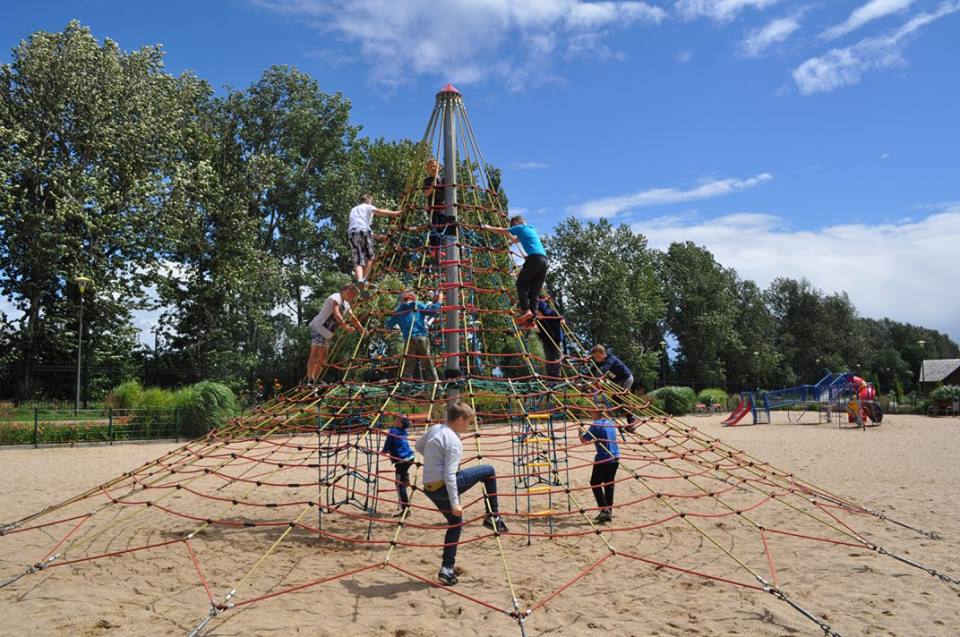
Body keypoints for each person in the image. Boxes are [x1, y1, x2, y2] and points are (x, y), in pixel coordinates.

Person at [415, 399, 509, 586]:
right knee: (488, 470)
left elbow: (418, 446)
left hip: (429, 488)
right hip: (444, 487)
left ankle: (447, 569)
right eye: (468, 421)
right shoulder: (453, 441)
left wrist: (435, 461)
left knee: (455, 524)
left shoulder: (436, 429)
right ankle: (493, 516)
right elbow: (450, 475)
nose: (469, 425)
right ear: (459, 419)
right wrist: (455, 502)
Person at [481, 215, 548, 324]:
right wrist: (509, 237)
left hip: (534, 258)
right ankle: (531, 318)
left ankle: (526, 310)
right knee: (534, 291)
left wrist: (487, 227)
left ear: (518, 223)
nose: (513, 229)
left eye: (513, 226)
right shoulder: (531, 229)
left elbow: (501, 231)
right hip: (544, 261)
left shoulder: (520, 227)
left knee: (521, 284)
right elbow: (514, 239)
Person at [306, 283, 365, 384]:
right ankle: (310, 380)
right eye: (352, 296)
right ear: (347, 292)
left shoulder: (346, 304)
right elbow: (336, 313)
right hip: (318, 328)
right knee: (315, 353)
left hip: (327, 333)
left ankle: (314, 380)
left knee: (323, 359)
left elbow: (353, 317)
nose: (352, 298)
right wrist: (346, 326)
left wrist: (361, 329)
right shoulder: (335, 297)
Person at [384, 290, 441, 384]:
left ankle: (406, 386)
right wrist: (439, 301)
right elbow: (432, 311)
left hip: (409, 339)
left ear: (402, 299)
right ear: (413, 297)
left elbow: (388, 325)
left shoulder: (399, 311)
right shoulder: (417, 304)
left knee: (408, 366)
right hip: (421, 337)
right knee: (428, 362)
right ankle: (437, 385)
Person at [348, 194, 400, 284]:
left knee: (358, 261)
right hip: (364, 232)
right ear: (368, 201)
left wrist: (379, 237)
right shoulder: (367, 206)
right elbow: (379, 211)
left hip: (352, 234)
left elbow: (359, 226)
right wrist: (395, 213)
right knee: (370, 257)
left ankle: (360, 280)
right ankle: (364, 279)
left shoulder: (354, 209)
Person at [579, 412, 620, 524]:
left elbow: (583, 440)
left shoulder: (595, 425)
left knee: (595, 482)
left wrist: (580, 431)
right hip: (615, 457)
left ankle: (604, 509)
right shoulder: (611, 423)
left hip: (603, 458)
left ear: (596, 414)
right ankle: (608, 512)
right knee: (608, 484)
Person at [590, 345, 637, 427]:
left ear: (603, 353)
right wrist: (583, 377)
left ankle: (631, 418)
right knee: (615, 398)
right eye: (595, 357)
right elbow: (591, 370)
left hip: (626, 379)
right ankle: (625, 416)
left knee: (622, 397)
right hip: (617, 382)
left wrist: (594, 380)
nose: (596, 359)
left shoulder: (610, 359)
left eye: (597, 356)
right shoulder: (599, 362)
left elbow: (603, 370)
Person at [381, 415, 416, 513]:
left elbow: (388, 443)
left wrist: (383, 452)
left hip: (402, 460)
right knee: (402, 476)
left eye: (397, 419)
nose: (394, 420)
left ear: (400, 424)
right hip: (410, 458)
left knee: (399, 484)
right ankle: (406, 477)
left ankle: (405, 509)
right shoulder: (402, 431)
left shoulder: (393, 431)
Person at [422, 158, 455, 248]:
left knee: (444, 227)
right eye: (430, 167)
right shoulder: (428, 180)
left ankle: (445, 246)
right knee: (434, 226)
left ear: (439, 168)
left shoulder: (444, 180)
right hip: (433, 208)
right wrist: (432, 187)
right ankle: (434, 247)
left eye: (435, 166)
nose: (433, 168)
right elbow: (426, 193)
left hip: (445, 208)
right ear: (427, 169)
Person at [534, 296, 564, 378]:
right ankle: (550, 377)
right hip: (546, 342)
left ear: (542, 311)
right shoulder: (538, 322)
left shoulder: (552, 314)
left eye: (538, 313)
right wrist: (538, 332)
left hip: (556, 340)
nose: (537, 315)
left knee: (556, 359)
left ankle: (557, 377)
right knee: (548, 359)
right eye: (536, 314)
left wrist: (562, 320)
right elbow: (542, 335)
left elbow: (560, 317)